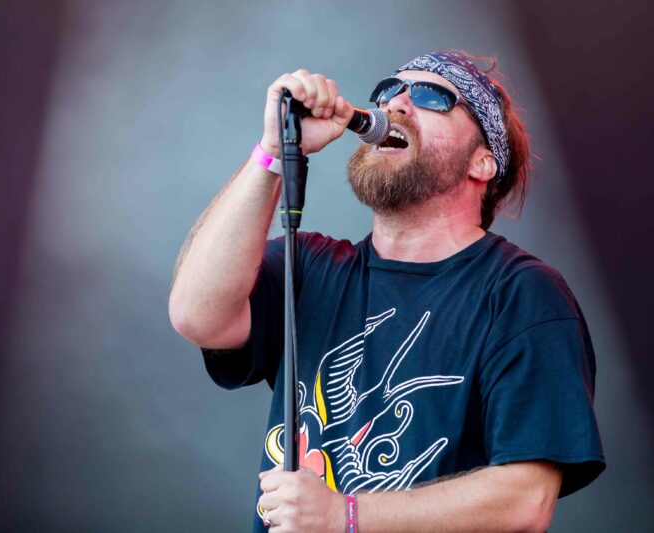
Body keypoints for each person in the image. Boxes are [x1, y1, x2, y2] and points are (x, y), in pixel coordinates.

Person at [169, 51, 605, 532]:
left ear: (482, 162)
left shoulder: (521, 294)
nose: (395, 103)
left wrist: (345, 516)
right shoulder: (310, 267)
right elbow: (197, 315)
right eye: (388, 90)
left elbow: (525, 500)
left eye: (431, 96)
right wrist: (273, 150)